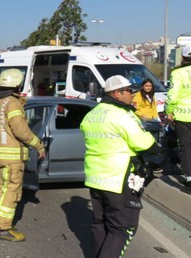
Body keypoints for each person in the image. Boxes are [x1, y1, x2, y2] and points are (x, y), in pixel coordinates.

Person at [80, 75, 159, 257]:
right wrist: (156, 150)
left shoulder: (92, 115)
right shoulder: (121, 115)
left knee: (101, 224)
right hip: (119, 178)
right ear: (117, 93)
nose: (132, 94)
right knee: (124, 228)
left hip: (95, 179)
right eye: (129, 91)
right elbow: (144, 143)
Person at [0, 68, 46, 242]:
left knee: (0, 189)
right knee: (11, 192)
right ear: (17, 85)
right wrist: (38, 145)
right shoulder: (12, 104)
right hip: (12, 158)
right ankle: (4, 228)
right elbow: (21, 130)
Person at [165, 45, 191, 190]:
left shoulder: (178, 73)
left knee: (186, 147)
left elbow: (172, 96)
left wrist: (169, 112)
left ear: (183, 57)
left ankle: (189, 177)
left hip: (184, 116)